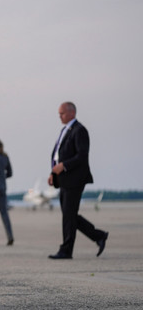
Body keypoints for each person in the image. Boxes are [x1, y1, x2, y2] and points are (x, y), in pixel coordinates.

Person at [47, 102, 108, 259]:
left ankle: (66, 250)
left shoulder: (80, 130)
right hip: (63, 179)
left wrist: (63, 166)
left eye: (62, 113)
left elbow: (82, 156)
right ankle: (98, 236)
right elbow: (58, 156)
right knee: (69, 215)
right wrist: (53, 174)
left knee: (69, 215)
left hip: (75, 179)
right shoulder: (65, 130)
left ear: (72, 113)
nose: (59, 116)